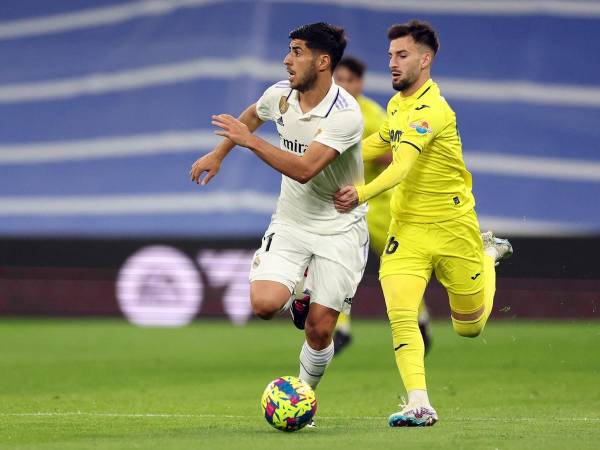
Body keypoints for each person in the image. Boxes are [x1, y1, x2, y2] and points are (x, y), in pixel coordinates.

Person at [334, 20, 512, 427]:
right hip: (407, 229)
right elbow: (377, 144)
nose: (393, 64)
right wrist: (324, 155)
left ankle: (487, 253)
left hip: (453, 227)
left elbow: (401, 165)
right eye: (390, 56)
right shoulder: (396, 106)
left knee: (469, 327)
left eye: (402, 55)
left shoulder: (434, 109)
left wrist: (360, 193)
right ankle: (419, 402)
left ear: (425, 59)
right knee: (401, 313)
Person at [190, 23, 369, 421]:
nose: (287, 60)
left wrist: (248, 141)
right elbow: (253, 115)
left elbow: (305, 169)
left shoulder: (345, 116)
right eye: (289, 51)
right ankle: (302, 291)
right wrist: (219, 153)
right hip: (291, 222)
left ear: (323, 62)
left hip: (340, 228)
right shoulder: (280, 95)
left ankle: (302, 396)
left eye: (297, 52)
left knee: (321, 330)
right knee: (265, 304)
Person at [332, 56, 433, 356]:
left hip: (380, 206)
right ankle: (340, 328)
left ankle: (421, 318)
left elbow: (396, 159)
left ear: (360, 83)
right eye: (340, 79)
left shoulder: (372, 116)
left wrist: (364, 154)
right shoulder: (328, 112)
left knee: (399, 270)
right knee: (339, 264)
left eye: (350, 80)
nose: (344, 86)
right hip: (348, 207)